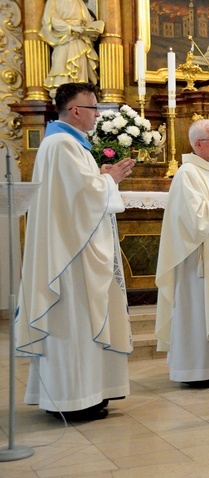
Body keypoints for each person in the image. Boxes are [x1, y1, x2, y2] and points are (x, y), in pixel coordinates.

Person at [15, 82, 134, 421]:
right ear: (76, 110)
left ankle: (89, 393)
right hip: (69, 254)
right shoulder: (61, 145)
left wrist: (104, 178)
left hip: (76, 246)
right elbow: (84, 195)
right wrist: (110, 180)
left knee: (82, 324)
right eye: (93, 108)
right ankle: (73, 398)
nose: (97, 114)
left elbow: (79, 192)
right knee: (74, 324)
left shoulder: (69, 144)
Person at [155, 119, 209, 386]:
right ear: (198, 144)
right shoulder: (187, 173)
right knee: (198, 308)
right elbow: (191, 216)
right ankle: (195, 370)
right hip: (198, 257)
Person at [40, 0, 103, 96]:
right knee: (63, 64)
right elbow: (51, 19)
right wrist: (71, 27)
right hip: (64, 40)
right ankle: (62, 93)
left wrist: (92, 30)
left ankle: (81, 92)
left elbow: (87, 22)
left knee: (81, 70)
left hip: (81, 40)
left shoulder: (80, 2)